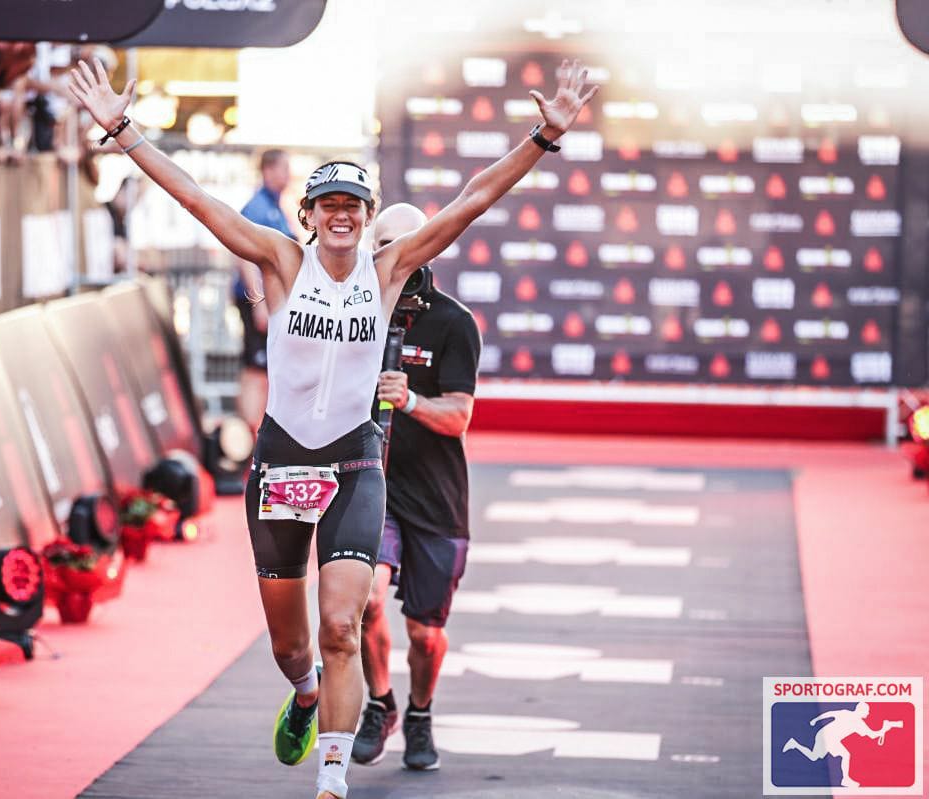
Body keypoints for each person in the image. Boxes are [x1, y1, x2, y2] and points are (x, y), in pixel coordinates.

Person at [68, 57, 598, 799]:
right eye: (329, 204)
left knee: (342, 624)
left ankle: (333, 777)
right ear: (309, 215)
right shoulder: (281, 262)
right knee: (293, 647)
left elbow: (472, 200)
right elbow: (195, 199)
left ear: (368, 211)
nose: (342, 214)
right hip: (281, 466)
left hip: (356, 465)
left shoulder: (389, 269)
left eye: (355, 203)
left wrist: (543, 136)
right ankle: (308, 693)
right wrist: (122, 131)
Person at [353, 203, 480, 771]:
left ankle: (420, 712)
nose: (397, 255)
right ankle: (380, 704)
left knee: (425, 636)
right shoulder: (355, 309)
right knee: (366, 600)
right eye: (383, 243)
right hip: (371, 489)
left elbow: (458, 417)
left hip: (436, 497)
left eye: (410, 243)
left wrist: (409, 400)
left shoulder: (454, 323)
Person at [235, 148, 293, 429]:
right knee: (256, 369)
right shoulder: (257, 207)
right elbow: (243, 254)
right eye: (284, 168)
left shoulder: (276, 206)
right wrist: (258, 302)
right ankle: (248, 437)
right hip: (257, 302)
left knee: (268, 370)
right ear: (268, 171)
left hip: (272, 302)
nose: (288, 174)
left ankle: (258, 431)